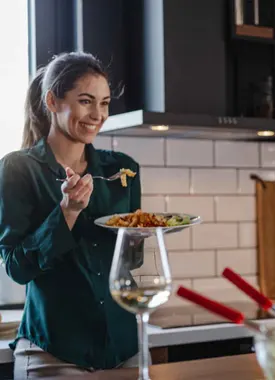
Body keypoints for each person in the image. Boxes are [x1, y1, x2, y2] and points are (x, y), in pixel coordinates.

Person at [0, 52, 142, 378]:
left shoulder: (123, 170)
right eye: (86, 101)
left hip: (124, 347)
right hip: (55, 351)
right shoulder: (18, 170)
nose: (98, 114)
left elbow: (130, 263)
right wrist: (66, 213)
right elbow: (17, 268)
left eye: (104, 103)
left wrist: (144, 233)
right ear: (52, 101)